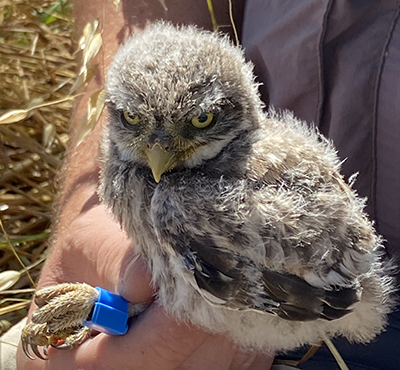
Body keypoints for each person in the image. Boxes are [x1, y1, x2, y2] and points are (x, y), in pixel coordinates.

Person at [13, 1, 400, 369]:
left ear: (239, 109)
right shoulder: (132, 168)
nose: (159, 155)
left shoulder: (200, 201)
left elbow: (350, 302)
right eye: (132, 118)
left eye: (200, 122)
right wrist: (87, 208)